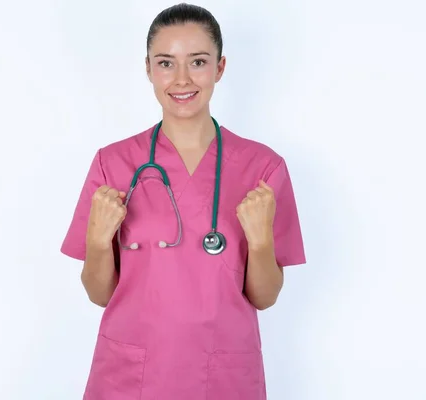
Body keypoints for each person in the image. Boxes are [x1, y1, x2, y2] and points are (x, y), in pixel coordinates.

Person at [61, 3, 306, 399]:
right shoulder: (113, 163)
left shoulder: (263, 168)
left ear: (220, 68)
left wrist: (260, 242)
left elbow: (266, 296)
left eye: (197, 61)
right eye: (165, 63)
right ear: (148, 69)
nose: (181, 79)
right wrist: (96, 240)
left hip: (222, 377)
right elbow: (98, 293)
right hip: (131, 377)